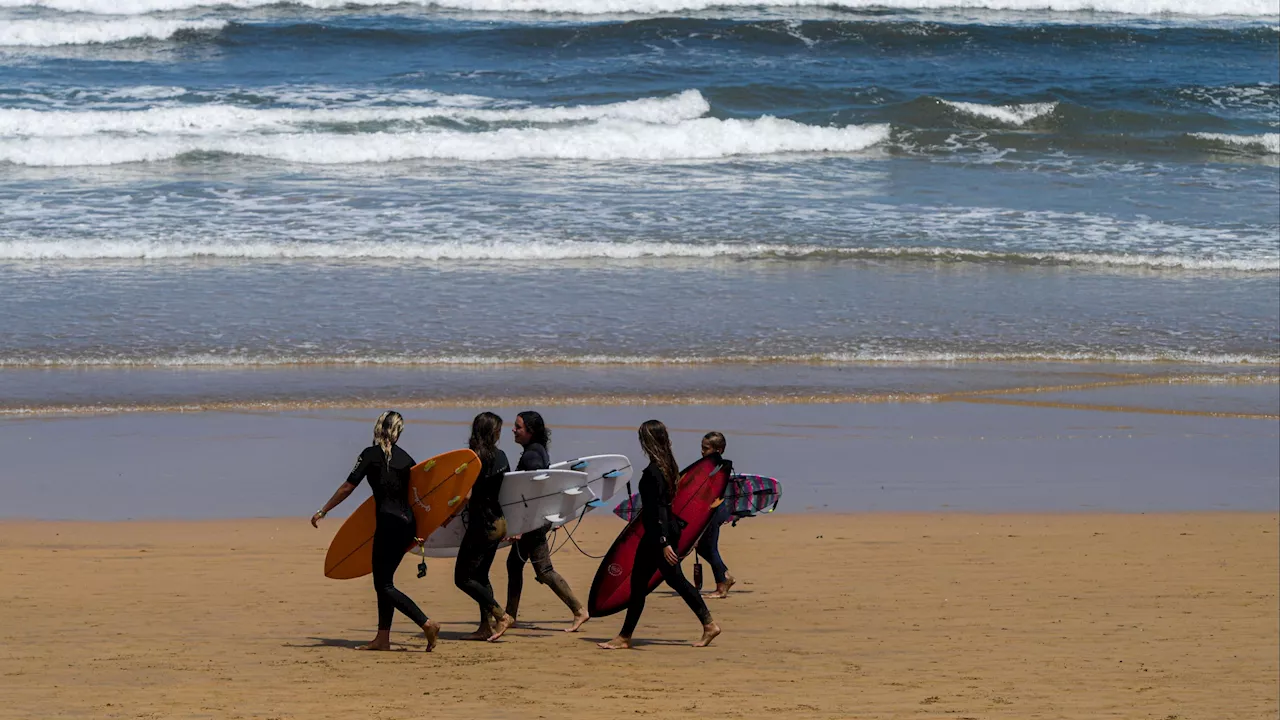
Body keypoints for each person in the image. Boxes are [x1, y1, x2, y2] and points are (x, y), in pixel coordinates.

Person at [311, 411, 441, 651]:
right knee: (385, 581)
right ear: (398, 432)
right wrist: (424, 529)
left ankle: (426, 623)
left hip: (388, 524)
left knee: (383, 585)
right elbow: (418, 498)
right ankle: (383, 638)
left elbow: (348, 486)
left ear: (378, 428)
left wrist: (324, 510)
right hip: (407, 524)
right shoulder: (408, 460)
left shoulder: (369, 455)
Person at [598, 419, 721, 650]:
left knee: (666, 582)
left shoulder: (654, 471)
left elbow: (659, 510)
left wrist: (664, 542)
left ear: (648, 441)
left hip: (658, 535)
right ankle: (707, 624)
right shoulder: (668, 465)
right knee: (659, 582)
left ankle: (708, 624)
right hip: (661, 532)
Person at [504, 411, 590, 632]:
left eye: (518, 427)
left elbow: (533, 493)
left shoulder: (532, 456)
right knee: (515, 564)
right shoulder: (537, 451)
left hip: (532, 520)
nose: (513, 430)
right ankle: (509, 614)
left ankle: (579, 610)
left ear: (530, 431)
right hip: (536, 518)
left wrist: (521, 527)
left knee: (544, 570)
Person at [454, 412, 517, 642]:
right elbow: (507, 489)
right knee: (480, 575)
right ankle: (485, 627)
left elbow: (466, 494)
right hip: (499, 522)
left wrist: (446, 515)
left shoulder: (473, 458)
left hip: (481, 524)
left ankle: (500, 614)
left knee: (462, 578)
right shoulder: (501, 456)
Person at [695, 431, 736, 599]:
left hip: (713, 510)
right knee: (703, 547)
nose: (702, 452)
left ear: (718, 450)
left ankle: (722, 586)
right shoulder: (714, 466)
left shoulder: (717, 468)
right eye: (702, 448)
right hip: (714, 510)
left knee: (709, 547)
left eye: (706, 448)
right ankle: (725, 576)